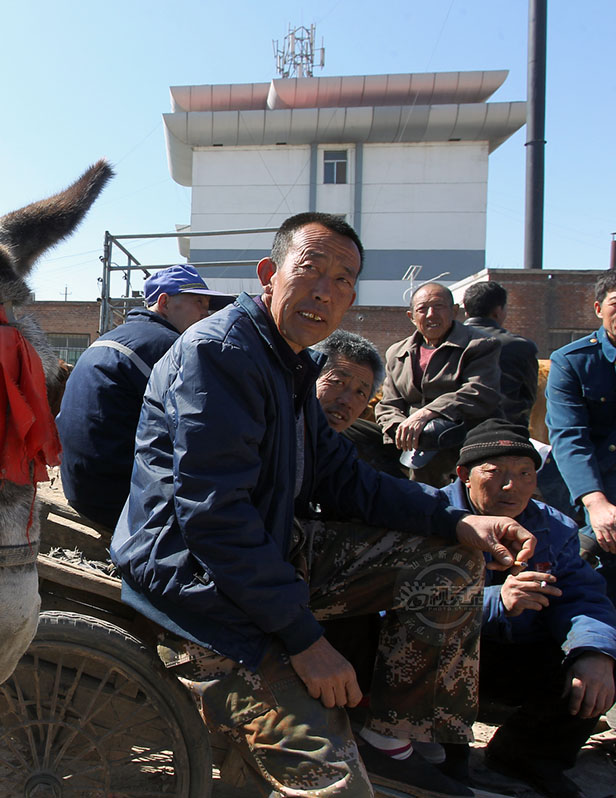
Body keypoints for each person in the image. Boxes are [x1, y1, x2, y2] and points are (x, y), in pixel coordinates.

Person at [110, 212, 535, 798]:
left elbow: (348, 479)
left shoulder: (290, 364)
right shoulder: (221, 354)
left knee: (450, 563)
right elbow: (214, 517)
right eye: (310, 269)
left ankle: (393, 742)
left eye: (343, 280)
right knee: (334, 786)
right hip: (197, 587)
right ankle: (341, 759)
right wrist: (305, 641)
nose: (325, 291)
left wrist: (457, 518)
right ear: (269, 274)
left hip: (266, 555)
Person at [442, 419, 616, 798]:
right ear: (464, 475)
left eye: (524, 474)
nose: (511, 486)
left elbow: (582, 598)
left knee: (600, 657)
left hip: (517, 660)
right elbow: (395, 605)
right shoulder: (430, 515)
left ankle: (525, 756)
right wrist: (495, 602)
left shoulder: (553, 528)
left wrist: (593, 653)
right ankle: (437, 757)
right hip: (444, 664)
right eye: (496, 472)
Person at [56, 264, 223, 530]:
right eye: (198, 302)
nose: (206, 312)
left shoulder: (110, 338)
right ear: (165, 302)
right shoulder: (169, 347)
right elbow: (201, 429)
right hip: (119, 503)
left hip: (80, 490)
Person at [374, 282, 502, 486]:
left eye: (439, 307)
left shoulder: (480, 345)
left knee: (431, 435)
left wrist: (426, 414)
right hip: (410, 440)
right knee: (351, 434)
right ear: (411, 317)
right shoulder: (396, 352)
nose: (431, 314)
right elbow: (388, 404)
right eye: (422, 309)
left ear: (455, 311)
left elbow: (479, 392)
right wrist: (400, 428)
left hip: (459, 435)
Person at [547, 271, 616, 601]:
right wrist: (595, 501)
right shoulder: (571, 362)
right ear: (598, 308)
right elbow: (569, 436)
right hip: (598, 492)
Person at [313, 331, 405, 479]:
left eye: (360, 393)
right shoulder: (276, 431)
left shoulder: (341, 456)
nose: (347, 400)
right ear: (310, 378)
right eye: (338, 382)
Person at [462, 281, 539, 427]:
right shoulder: (520, 347)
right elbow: (529, 396)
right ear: (498, 311)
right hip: (506, 431)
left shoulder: (447, 343)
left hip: (453, 433)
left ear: (466, 311)